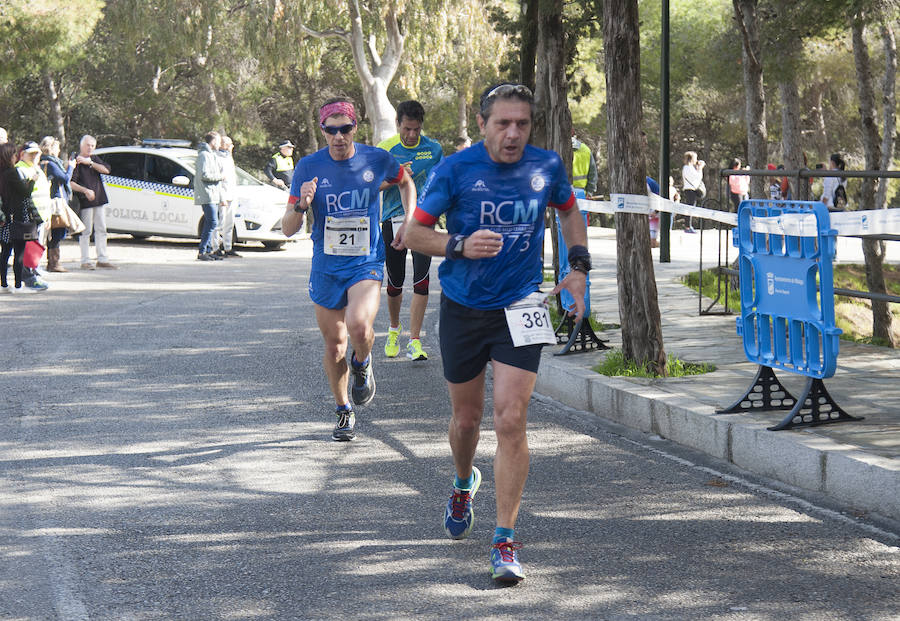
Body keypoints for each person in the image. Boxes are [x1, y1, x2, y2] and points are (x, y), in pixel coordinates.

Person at [404, 82, 589, 585]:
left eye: (522, 124)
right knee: (467, 421)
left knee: (511, 418)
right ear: (483, 123)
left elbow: (569, 209)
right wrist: (460, 244)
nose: (513, 134)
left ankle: (504, 540)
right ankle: (464, 484)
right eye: (503, 123)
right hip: (464, 308)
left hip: (522, 305)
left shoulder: (546, 166)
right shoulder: (456, 169)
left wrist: (578, 266)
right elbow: (412, 235)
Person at [281, 97, 416, 442]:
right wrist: (302, 204)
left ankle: (363, 362)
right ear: (322, 130)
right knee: (334, 346)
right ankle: (343, 410)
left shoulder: (376, 159)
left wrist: (409, 220)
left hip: (366, 261)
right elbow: (287, 228)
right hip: (326, 267)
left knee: (358, 326)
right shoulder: (308, 167)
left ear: (356, 127)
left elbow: (405, 181)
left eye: (345, 129)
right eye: (331, 129)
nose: (338, 136)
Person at [377, 100, 444, 361]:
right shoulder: (385, 150)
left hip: (423, 221)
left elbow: (442, 183)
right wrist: (396, 177)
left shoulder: (434, 149)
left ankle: (415, 340)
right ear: (398, 124)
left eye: (416, 130)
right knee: (395, 281)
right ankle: (395, 327)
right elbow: (372, 185)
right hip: (392, 219)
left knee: (422, 280)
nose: (412, 135)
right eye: (407, 129)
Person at [0, 143, 43, 292]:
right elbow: (25, 192)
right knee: (19, 251)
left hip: (5, 217)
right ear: (8, 157)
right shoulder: (12, 173)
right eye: (13, 155)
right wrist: (32, 180)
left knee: (5, 251)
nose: (14, 157)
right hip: (17, 215)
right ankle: (18, 285)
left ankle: (4, 283)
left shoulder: (2, 173)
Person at [70, 135, 114, 269]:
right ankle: (85, 260)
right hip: (85, 202)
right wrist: (85, 190)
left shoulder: (93, 159)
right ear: (81, 145)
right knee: (86, 232)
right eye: (87, 145)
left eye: (92, 146)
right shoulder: (75, 160)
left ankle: (102, 259)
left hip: (99, 199)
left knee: (101, 230)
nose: (90, 148)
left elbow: (106, 170)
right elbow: (71, 183)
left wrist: (89, 162)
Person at [15, 141, 52, 289]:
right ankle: (28, 278)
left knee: (35, 247)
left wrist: (48, 215)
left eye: (37, 154)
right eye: (31, 154)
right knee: (26, 249)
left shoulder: (36, 168)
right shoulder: (20, 169)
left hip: (40, 215)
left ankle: (32, 272)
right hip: (29, 215)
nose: (34, 156)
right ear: (22, 154)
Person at [39, 136, 73, 272]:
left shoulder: (44, 162)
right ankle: (53, 263)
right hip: (55, 201)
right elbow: (65, 178)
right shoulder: (51, 164)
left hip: (52, 199)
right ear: (52, 148)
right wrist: (71, 167)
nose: (59, 150)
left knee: (53, 231)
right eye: (57, 147)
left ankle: (52, 262)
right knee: (58, 230)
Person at [194, 131, 224, 261]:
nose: (219, 144)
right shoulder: (204, 155)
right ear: (212, 142)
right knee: (212, 222)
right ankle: (202, 251)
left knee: (210, 221)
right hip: (207, 194)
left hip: (214, 194)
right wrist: (220, 177)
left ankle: (208, 250)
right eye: (218, 141)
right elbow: (204, 175)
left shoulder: (212, 155)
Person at [216, 134, 240, 257]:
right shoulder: (217, 158)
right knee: (220, 223)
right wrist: (221, 197)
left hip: (232, 194)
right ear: (224, 145)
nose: (232, 146)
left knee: (229, 224)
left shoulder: (229, 158)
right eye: (230, 144)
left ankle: (228, 246)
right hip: (223, 196)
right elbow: (219, 179)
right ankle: (217, 247)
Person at [680, 151, 704, 233]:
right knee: (690, 208)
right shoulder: (687, 167)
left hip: (691, 189)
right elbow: (698, 176)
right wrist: (700, 168)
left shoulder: (689, 167)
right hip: (690, 190)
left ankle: (688, 225)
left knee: (691, 207)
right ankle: (687, 226)